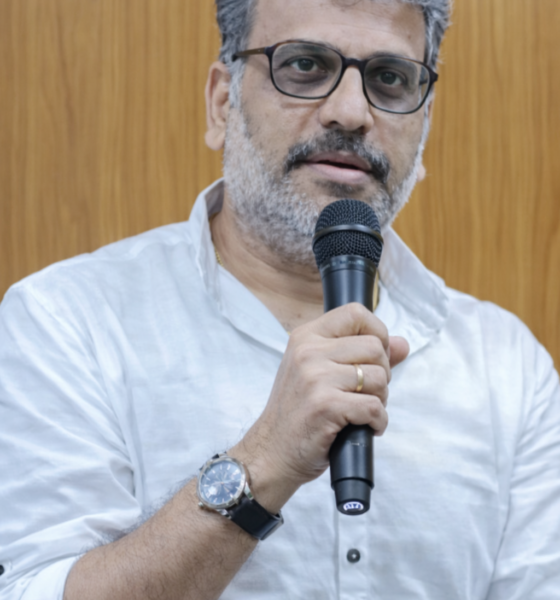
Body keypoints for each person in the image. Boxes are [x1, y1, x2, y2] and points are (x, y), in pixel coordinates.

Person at [1, 0, 559, 598]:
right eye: (305, 66)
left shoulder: (508, 366)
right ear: (223, 103)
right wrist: (267, 459)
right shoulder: (67, 321)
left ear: (423, 127)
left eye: (390, 78)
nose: (351, 112)